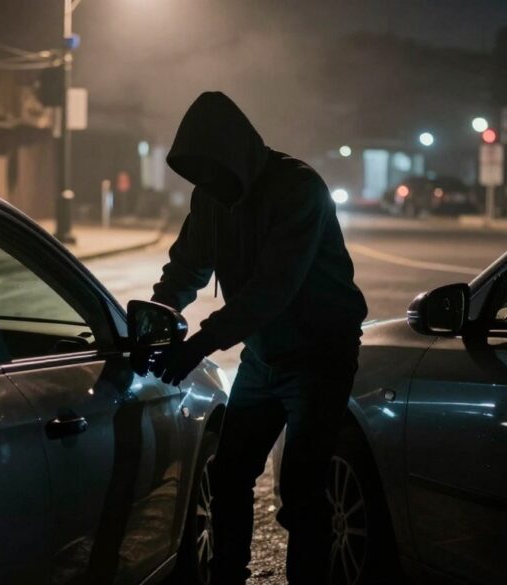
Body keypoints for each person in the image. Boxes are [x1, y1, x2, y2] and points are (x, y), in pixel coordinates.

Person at [137, 91, 368, 584]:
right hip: (264, 357)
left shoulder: (299, 188)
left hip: (319, 356)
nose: (208, 183)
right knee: (229, 475)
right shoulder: (211, 197)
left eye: (213, 170)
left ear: (236, 155)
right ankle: (228, 577)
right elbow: (186, 266)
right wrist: (160, 312)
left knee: (303, 489)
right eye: (197, 173)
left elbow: (273, 289)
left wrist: (199, 343)